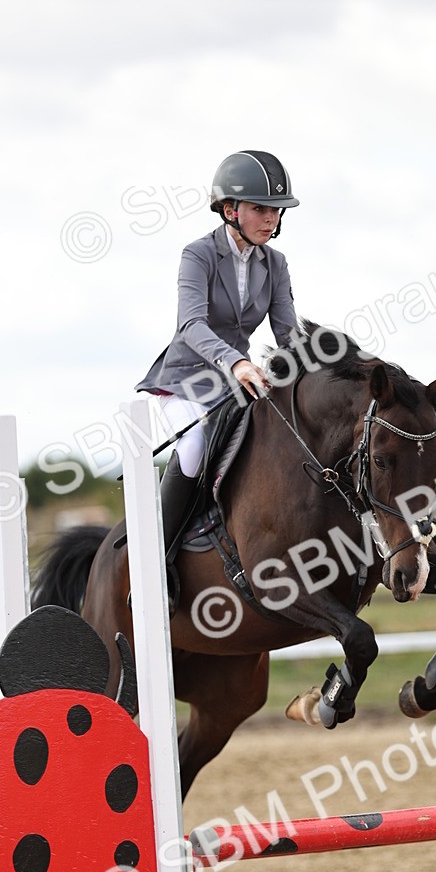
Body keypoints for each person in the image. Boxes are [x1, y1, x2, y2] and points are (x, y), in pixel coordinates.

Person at [136, 149, 299, 569]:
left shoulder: (276, 263)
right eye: (260, 209)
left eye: (276, 210)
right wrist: (238, 362)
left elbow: (288, 335)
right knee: (194, 446)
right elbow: (191, 325)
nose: (271, 219)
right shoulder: (198, 255)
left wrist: (318, 373)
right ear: (230, 210)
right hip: (186, 380)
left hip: (235, 384)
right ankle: (155, 559)